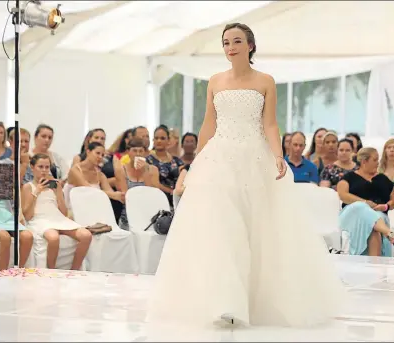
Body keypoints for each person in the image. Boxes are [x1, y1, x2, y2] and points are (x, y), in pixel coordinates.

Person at [148, 23, 346, 329]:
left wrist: (278, 155)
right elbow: (208, 124)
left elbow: (270, 124)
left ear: (250, 45)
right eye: (226, 42)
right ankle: (223, 300)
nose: (231, 47)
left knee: (256, 229)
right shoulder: (215, 81)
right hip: (219, 157)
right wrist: (194, 161)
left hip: (253, 157)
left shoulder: (265, 81)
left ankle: (249, 299)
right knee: (221, 227)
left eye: (237, 41)